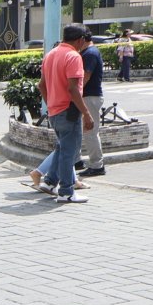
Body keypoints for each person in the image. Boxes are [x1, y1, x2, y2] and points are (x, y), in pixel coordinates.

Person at [35, 24, 95, 203]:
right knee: (70, 152)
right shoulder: (73, 56)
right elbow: (73, 89)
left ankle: (50, 182)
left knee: (62, 148)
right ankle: (67, 191)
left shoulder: (51, 54)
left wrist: (51, 103)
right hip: (69, 111)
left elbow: (41, 85)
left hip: (54, 110)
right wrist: (86, 113)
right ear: (80, 40)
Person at [78, 32, 107, 178]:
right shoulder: (88, 52)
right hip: (89, 96)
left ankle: (97, 166)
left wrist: (76, 93)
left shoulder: (90, 53)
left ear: (82, 39)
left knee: (90, 132)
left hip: (90, 96)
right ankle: (87, 163)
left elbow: (85, 76)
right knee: (87, 131)